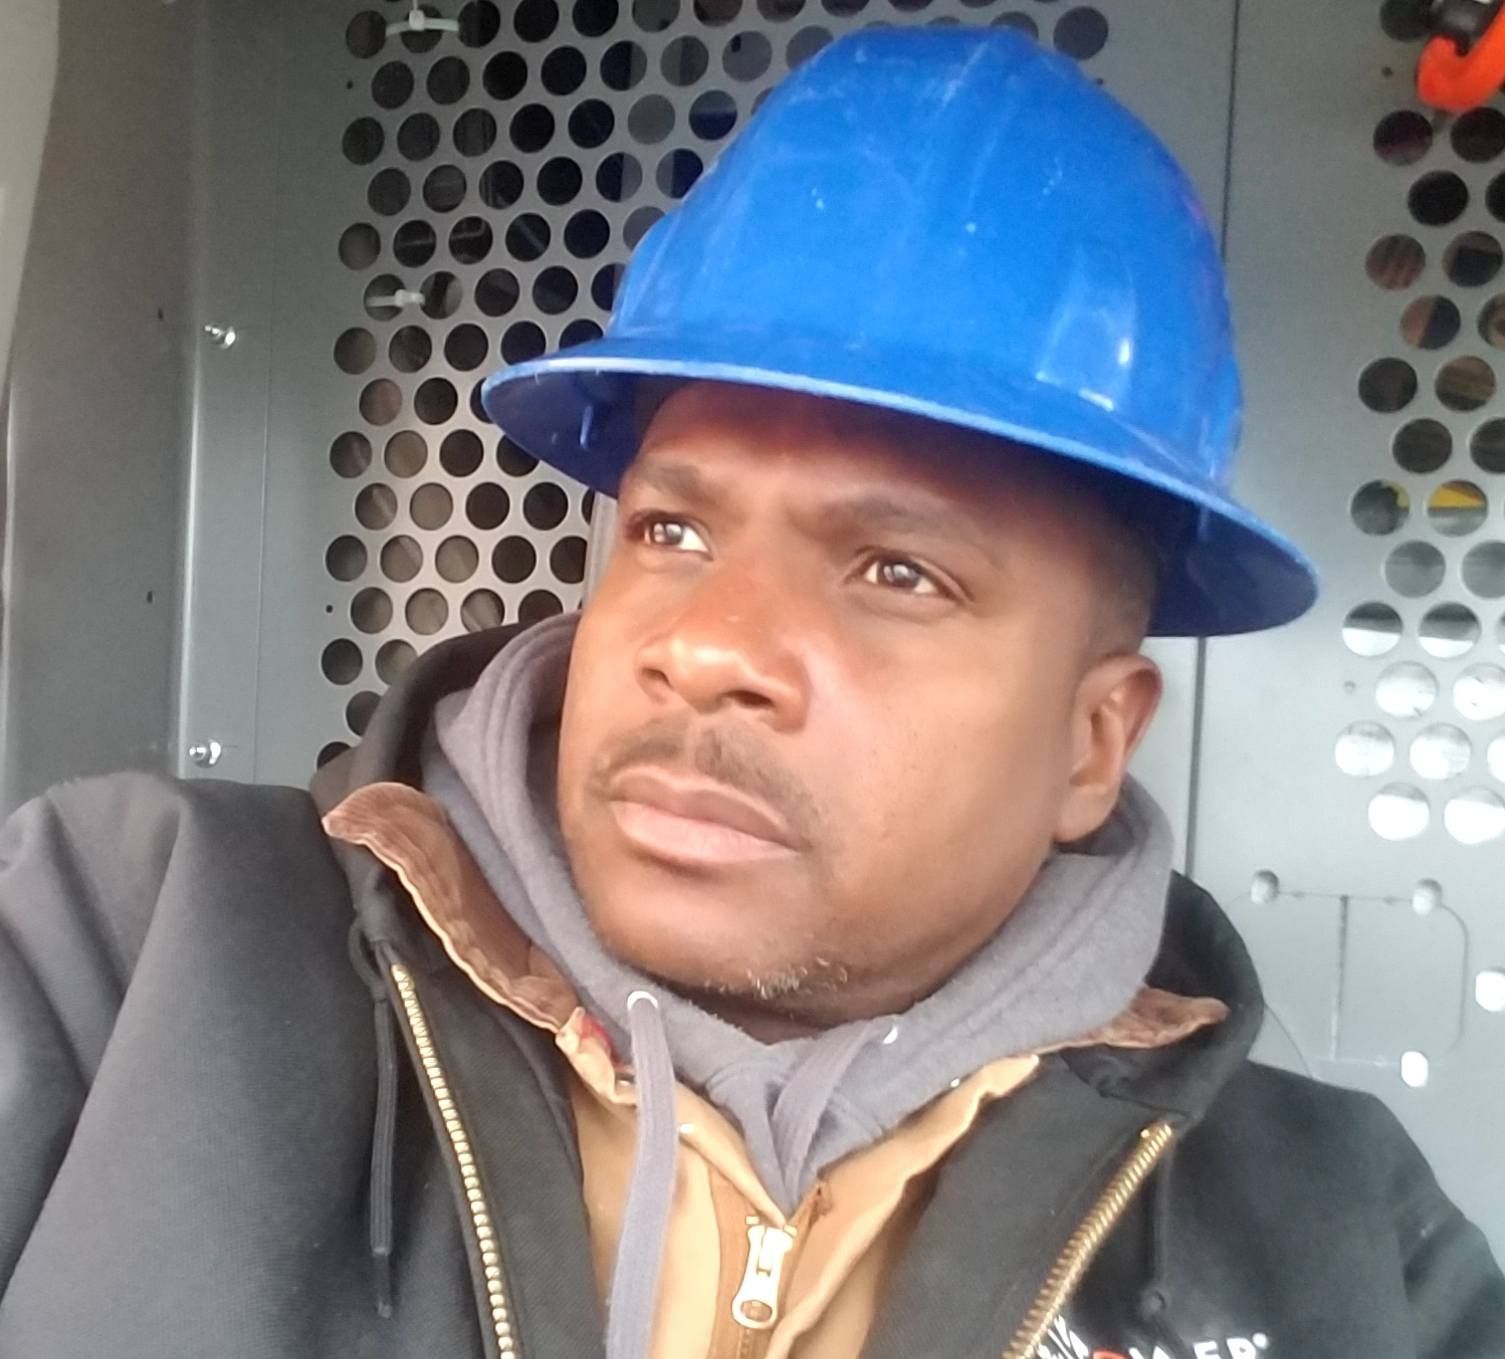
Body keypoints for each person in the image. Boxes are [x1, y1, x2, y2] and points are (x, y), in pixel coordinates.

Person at [0, 27, 1501, 1359]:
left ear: (1089, 742)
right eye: (670, 530)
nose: (706, 643)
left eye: (898, 573)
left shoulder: (1346, 1249)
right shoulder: (122, 949)